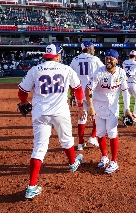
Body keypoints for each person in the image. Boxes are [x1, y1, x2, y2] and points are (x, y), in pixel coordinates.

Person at [17, 44, 86, 199]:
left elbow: (22, 92)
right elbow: (78, 89)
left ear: (46, 55)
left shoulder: (35, 69)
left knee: (39, 148)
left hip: (40, 113)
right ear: (58, 55)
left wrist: (23, 102)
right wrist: (80, 106)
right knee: (67, 140)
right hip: (60, 112)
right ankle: (72, 163)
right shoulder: (66, 69)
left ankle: (31, 187)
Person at [85, 49, 133, 174]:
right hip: (98, 107)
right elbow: (88, 89)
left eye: (111, 58)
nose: (108, 60)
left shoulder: (121, 73)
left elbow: (125, 91)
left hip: (113, 108)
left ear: (117, 60)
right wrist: (90, 106)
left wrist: (127, 108)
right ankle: (104, 156)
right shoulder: (99, 72)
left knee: (112, 133)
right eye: (106, 58)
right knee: (100, 133)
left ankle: (114, 161)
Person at [70, 41, 104, 150]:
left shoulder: (75, 60)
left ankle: (80, 143)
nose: (94, 50)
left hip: (79, 91)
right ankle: (93, 137)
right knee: (97, 115)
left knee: (82, 117)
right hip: (92, 91)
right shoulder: (95, 59)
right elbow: (104, 71)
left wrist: (71, 91)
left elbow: (71, 77)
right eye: (93, 48)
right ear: (88, 48)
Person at [121, 50, 136, 123]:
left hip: (125, 83)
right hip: (134, 83)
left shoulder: (124, 62)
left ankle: (125, 118)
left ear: (129, 55)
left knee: (127, 102)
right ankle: (134, 116)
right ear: (135, 56)